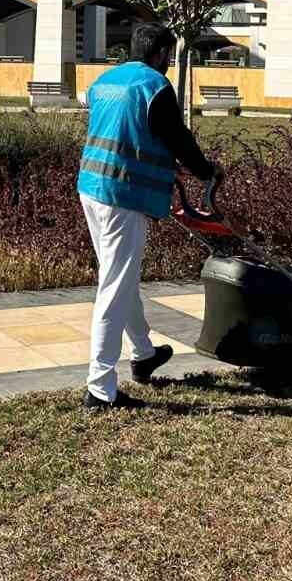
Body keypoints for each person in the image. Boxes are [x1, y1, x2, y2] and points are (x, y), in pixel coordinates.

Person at [77, 22, 222, 411]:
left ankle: (143, 353)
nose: (169, 61)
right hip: (121, 194)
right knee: (114, 286)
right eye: (169, 55)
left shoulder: (108, 79)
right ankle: (100, 389)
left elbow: (123, 127)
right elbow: (179, 140)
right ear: (160, 52)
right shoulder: (154, 86)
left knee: (119, 278)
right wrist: (207, 172)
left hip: (91, 186)